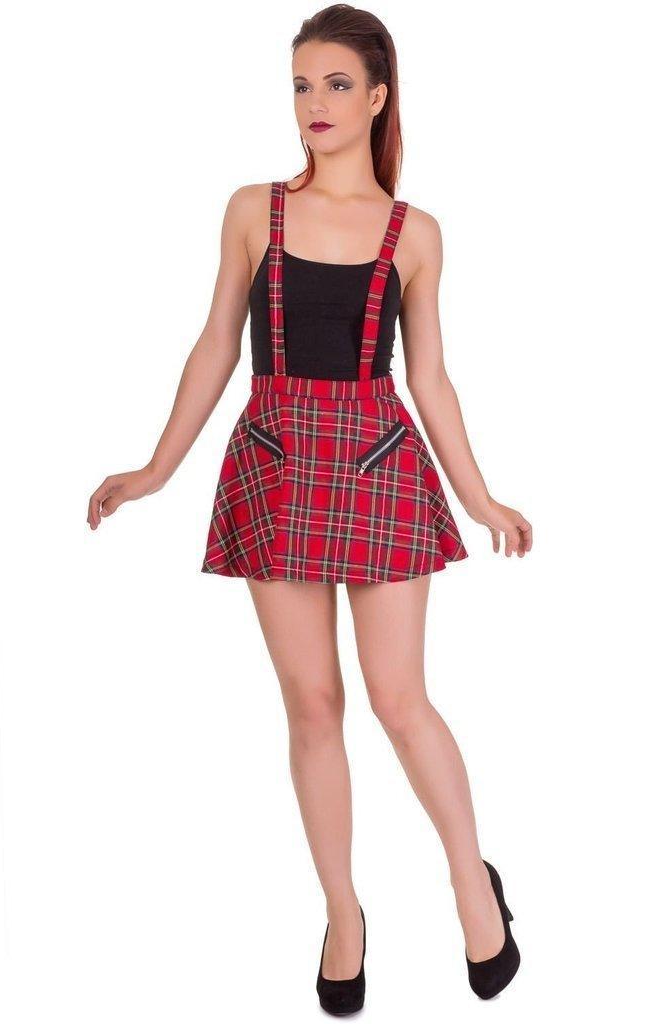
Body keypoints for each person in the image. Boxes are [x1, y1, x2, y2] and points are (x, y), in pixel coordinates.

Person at [87, 3, 532, 1013]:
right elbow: (215, 343)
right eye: (299, 84)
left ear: (376, 96)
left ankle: (472, 884)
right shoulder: (255, 209)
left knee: (398, 699)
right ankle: (342, 913)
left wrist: (477, 495)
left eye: (335, 84)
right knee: (312, 704)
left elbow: (430, 377)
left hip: (377, 460)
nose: (312, 103)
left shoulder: (416, 233)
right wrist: (156, 468)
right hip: (275, 460)